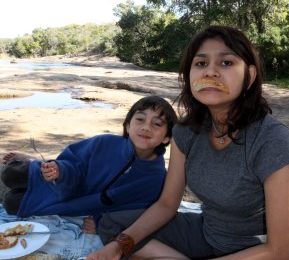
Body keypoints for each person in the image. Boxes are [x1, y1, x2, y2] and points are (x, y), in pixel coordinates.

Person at [80, 26, 289, 260]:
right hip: (209, 234)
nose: (211, 70)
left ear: (250, 75)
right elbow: (168, 204)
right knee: (115, 225)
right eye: (200, 63)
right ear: (188, 75)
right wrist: (116, 249)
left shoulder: (272, 141)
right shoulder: (188, 132)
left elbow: (279, 252)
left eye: (226, 63)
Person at [1, 95, 177, 238]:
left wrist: (100, 221)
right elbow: (74, 161)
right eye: (140, 119)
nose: (146, 127)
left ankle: (34, 162)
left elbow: (133, 211)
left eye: (157, 124)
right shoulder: (104, 143)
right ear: (128, 125)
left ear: (167, 137)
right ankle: (33, 161)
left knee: (10, 203)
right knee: (11, 173)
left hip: (77, 204)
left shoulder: (155, 178)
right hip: (61, 181)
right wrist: (60, 170)